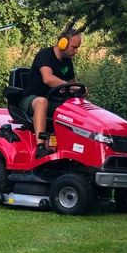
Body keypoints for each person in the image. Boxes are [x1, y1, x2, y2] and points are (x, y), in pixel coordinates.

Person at [20, 29, 83, 158]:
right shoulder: (45, 55)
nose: (76, 51)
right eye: (74, 47)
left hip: (54, 101)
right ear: (63, 43)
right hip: (32, 99)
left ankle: (75, 147)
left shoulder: (67, 62)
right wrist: (67, 85)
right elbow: (48, 79)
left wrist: (80, 89)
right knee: (42, 102)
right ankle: (41, 147)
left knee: (76, 106)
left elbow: (72, 84)